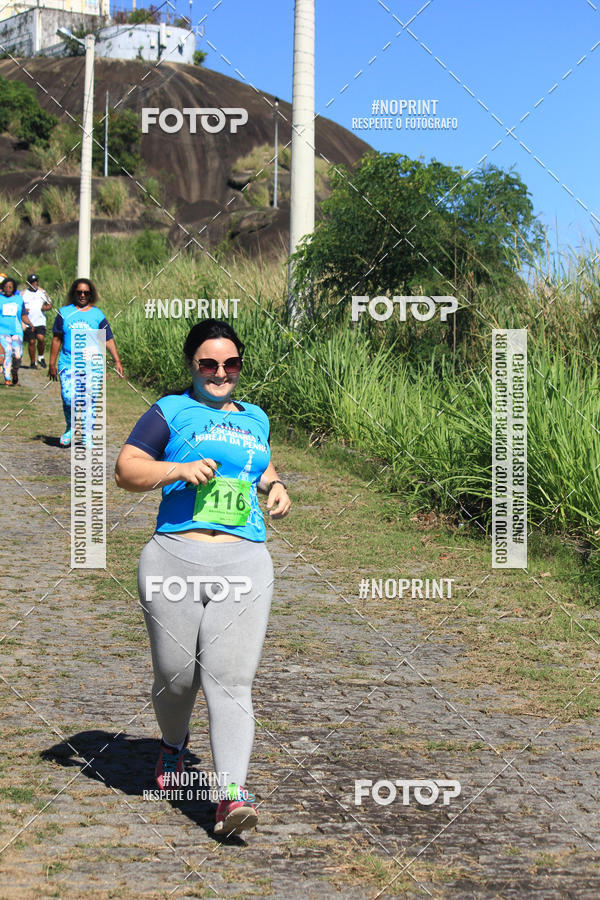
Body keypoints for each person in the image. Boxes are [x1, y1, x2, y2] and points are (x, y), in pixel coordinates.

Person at [115, 319, 290, 838]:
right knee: (177, 678)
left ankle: (229, 797)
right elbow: (127, 470)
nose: (220, 373)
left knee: (231, 680)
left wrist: (275, 483)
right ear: (192, 365)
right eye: (208, 364)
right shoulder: (169, 411)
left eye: (230, 364)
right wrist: (177, 471)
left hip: (245, 561)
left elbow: (256, 462)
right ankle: (171, 747)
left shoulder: (253, 416)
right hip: (174, 558)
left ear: (240, 367)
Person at [49, 278, 123, 447]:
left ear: (91, 295)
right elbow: (56, 339)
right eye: (79, 292)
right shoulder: (64, 313)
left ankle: (87, 435)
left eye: (86, 293)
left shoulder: (97, 315)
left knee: (91, 399)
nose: (82, 295)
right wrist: (52, 363)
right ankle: (71, 426)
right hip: (68, 363)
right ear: (74, 293)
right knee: (68, 397)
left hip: (93, 365)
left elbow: (108, 339)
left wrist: (117, 360)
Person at [0, 278, 33, 387]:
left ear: (14, 288)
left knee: (18, 355)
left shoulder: (19, 299)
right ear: (3, 287)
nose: (8, 289)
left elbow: (23, 315)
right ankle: (7, 378)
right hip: (3, 331)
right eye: (6, 287)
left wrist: (30, 323)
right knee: (8, 352)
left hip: (16, 331)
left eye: (11, 287)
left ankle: (15, 371)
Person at [22, 274, 52, 369]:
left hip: (40, 321)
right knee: (31, 341)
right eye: (32, 282)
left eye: (36, 282)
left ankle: (41, 357)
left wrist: (45, 307)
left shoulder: (42, 292)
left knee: (41, 338)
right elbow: (19, 305)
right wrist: (24, 310)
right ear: (28, 283)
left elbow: (49, 304)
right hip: (29, 322)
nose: (34, 284)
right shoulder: (24, 294)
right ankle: (32, 362)